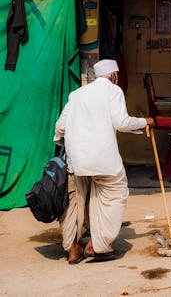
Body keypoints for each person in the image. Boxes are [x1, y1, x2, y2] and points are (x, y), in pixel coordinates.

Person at [53, 58, 154, 263]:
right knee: (113, 195)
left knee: (74, 201)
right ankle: (97, 246)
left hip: (77, 160)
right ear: (114, 76)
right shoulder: (113, 91)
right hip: (104, 160)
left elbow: (59, 128)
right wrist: (145, 121)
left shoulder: (77, 94)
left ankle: (72, 248)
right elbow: (121, 122)